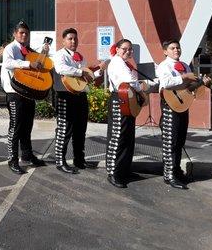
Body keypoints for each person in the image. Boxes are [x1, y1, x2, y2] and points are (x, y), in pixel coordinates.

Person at [156, 40, 210, 189]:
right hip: (169, 106)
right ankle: (169, 175)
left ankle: (177, 171)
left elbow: (189, 88)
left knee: (179, 141)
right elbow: (166, 83)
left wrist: (201, 83)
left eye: (178, 47)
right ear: (165, 51)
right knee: (170, 142)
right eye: (172, 48)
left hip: (183, 105)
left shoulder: (185, 65)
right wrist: (185, 77)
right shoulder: (164, 66)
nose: (176, 50)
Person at [52, 28, 106, 173]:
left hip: (80, 95)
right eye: (70, 39)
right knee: (65, 129)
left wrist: (99, 70)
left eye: (75, 38)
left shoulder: (80, 57)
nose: (73, 41)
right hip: (65, 95)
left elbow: (86, 78)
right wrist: (81, 71)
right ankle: (60, 161)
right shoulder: (60, 55)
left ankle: (79, 159)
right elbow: (61, 69)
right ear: (63, 41)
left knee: (80, 129)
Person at [1, 20, 49, 174]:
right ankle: (12, 159)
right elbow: (8, 63)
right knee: (15, 128)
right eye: (21, 32)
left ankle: (27, 155)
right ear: (15, 34)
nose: (24, 35)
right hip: (14, 93)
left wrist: (44, 53)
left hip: (28, 93)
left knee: (27, 127)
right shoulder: (10, 48)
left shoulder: (29, 50)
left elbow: (38, 66)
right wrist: (29, 64)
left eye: (26, 33)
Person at [105, 39, 144, 188]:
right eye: (124, 49)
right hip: (119, 99)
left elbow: (133, 81)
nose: (128, 52)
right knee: (118, 137)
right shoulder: (116, 62)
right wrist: (142, 91)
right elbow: (129, 81)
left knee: (128, 137)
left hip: (128, 99)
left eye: (130, 49)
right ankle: (114, 173)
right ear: (117, 49)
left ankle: (124, 169)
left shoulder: (126, 63)